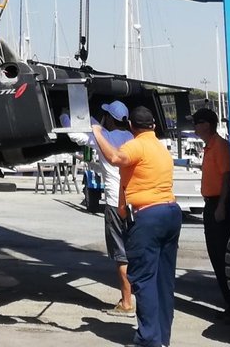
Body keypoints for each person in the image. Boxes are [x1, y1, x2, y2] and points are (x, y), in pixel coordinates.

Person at [92, 105, 181, 347]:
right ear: (153, 125)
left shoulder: (136, 145)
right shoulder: (160, 148)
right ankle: (162, 337)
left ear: (132, 126)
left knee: (144, 279)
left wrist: (97, 132)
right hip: (170, 212)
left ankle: (148, 339)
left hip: (148, 216)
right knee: (164, 280)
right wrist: (123, 207)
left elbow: (115, 158)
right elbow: (130, 177)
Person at [88, 100, 136, 315]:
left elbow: (78, 135)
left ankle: (126, 302)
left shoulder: (103, 138)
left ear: (109, 118)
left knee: (120, 254)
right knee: (134, 251)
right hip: (133, 202)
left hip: (115, 203)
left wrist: (64, 115)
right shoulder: (133, 139)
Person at [193, 108, 230, 320]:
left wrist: (221, 206)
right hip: (211, 203)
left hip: (218, 204)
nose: (194, 127)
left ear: (207, 125)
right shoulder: (210, 147)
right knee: (215, 254)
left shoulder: (219, 146)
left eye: (197, 122)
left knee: (221, 255)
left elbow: (226, 176)